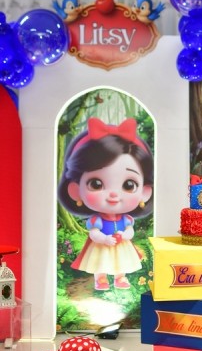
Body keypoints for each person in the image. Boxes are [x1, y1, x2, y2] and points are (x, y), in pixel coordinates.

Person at [58, 117, 153, 291]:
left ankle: (120, 277)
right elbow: (94, 233)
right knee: (100, 262)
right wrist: (103, 238)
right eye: (96, 184)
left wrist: (126, 235)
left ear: (145, 192)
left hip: (121, 243)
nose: (113, 194)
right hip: (102, 244)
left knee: (121, 262)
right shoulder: (97, 220)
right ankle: (100, 278)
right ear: (75, 190)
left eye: (129, 185)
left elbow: (130, 230)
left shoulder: (126, 219)